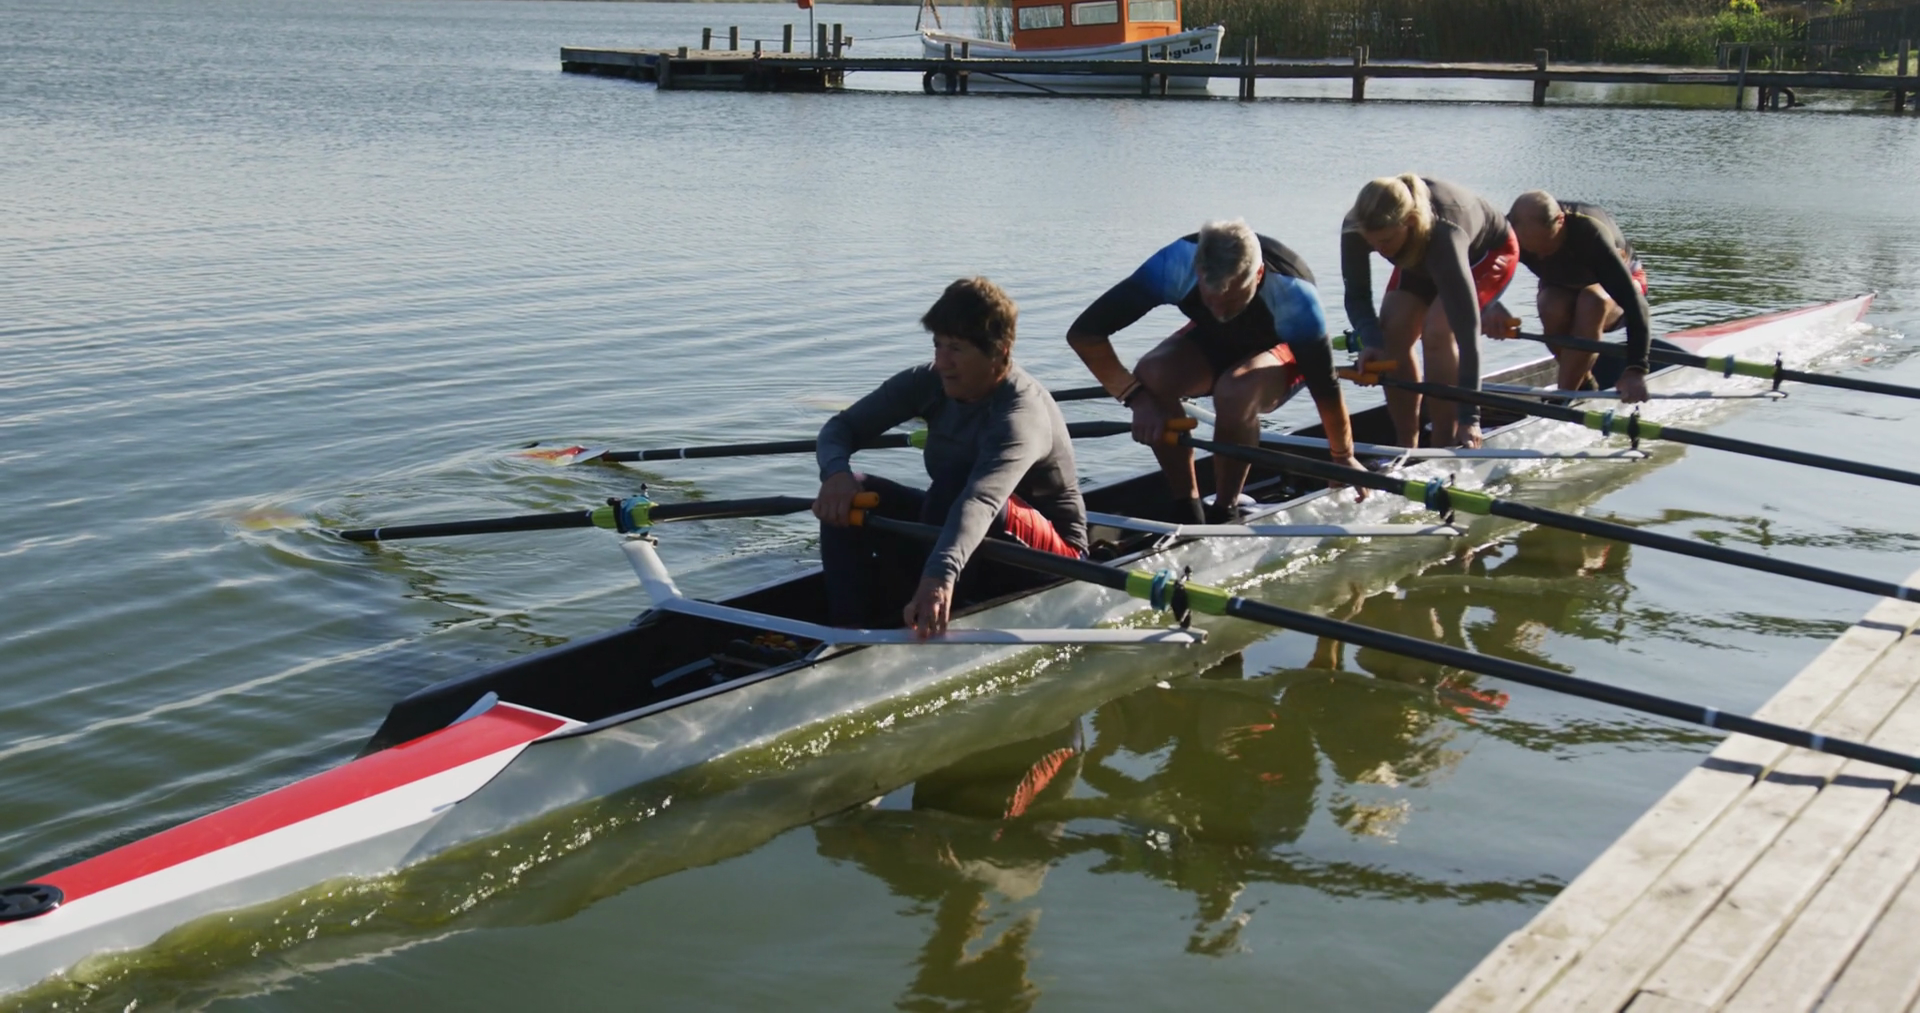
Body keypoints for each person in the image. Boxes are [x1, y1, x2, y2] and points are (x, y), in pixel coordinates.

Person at [813, 277, 1087, 639]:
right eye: (937, 345)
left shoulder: (1020, 414)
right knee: (852, 493)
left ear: (999, 352)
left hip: (1053, 558)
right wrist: (835, 474)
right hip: (965, 533)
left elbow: (981, 500)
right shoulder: (926, 383)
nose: (942, 362)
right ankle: (847, 632)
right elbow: (841, 428)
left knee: (957, 483)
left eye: (956, 348)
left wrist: (939, 576)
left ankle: (933, 603)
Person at [1066, 219, 1362, 525]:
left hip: (1281, 349)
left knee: (1235, 391)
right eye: (1211, 299)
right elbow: (1084, 335)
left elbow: (1325, 387)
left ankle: (1225, 510)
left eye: (1232, 299)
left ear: (1258, 275)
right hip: (1215, 340)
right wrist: (1136, 399)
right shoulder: (1174, 263)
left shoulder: (1293, 294)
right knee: (1151, 375)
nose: (1220, 312)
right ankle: (1188, 508)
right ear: (1197, 270)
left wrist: (1343, 456)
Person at [1342, 174, 1519, 449]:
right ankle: (1405, 446)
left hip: (1486, 255)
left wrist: (1470, 417)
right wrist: (1372, 342)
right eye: (1372, 243)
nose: (1380, 250)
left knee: (1437, 332)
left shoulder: (1445, 233)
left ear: (1410, 221)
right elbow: (1357, 296)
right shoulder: (1357, 225)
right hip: (1420, 258)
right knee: (1391, 333)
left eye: (1385, 241)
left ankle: (1443, 442)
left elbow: (1468, 338)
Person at [1483, 191, 1653, 403]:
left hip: (1619, 285)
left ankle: (1562, 397)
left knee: (1591, 302)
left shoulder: (1590, 232)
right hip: (1564, 283)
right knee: (1550, 306)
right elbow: (1468, 275)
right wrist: (1489, 306)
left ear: (1560, 222)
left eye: (1546, 246)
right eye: (1531, 251)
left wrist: (1636, 369)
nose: (1541, 256)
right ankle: (1582, 382)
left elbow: (1635, 304)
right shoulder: (1503, 233)